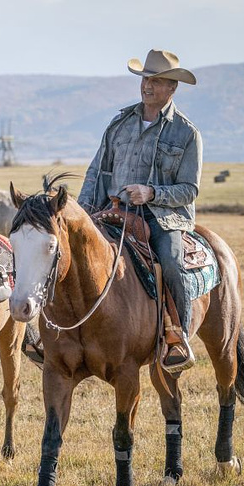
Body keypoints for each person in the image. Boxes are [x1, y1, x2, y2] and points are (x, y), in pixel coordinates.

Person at [78, 49, 203, 373]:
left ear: (172, 88)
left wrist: (152, 193)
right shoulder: (119, 124)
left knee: (173, 265)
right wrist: (80, 214)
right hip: (113, 210)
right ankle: (56, 334)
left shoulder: (186, 133)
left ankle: (177, 337)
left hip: (162, 217)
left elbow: (189, 190)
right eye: (146, 78)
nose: (148, 85)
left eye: (157, 81)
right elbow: (97, 172)